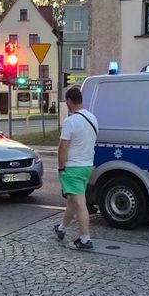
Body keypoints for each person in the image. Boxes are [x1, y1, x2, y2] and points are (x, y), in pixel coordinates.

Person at [54, 86, 99, 249]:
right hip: (87, 166)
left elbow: (62, 147)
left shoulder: (70, 121)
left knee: (79, 203)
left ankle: (85, 239)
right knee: (72, 201)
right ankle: (62, 228)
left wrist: (61, 168)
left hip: (73, 168)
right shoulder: (92, 118)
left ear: (69, 101)